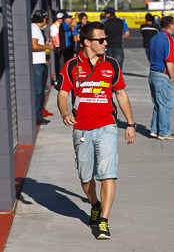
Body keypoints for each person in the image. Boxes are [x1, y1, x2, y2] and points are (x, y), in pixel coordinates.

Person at [57, 22, 136, 239]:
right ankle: (94, 203)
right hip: (81, 128)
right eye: (100, 40)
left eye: (105, 39)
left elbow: (120, 94)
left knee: (107, 174)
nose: (105, 43)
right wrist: (64, 113)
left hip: (107, 126)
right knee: (85, 177)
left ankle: (104, 220)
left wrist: (130, 123)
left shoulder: (111, 64)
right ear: (86, 42)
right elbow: (63, 94)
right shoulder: (72, 65)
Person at [149, 16, 174, 140]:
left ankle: (155, 129)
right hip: (164, 74)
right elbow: (170, 59)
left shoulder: (154, 38)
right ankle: (164, 131)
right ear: (171, 25)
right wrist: (172, 77)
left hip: (153, 73)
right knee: (166, 104)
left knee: (158, 104)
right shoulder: (169, 39)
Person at [31, 9, 54, 125]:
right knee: (38, 91)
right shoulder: (34, 29)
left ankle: (39, 114)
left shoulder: (36, 28)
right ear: (43, 19)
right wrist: (48, 46)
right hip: (36, 65)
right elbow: (34, 46)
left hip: (39, 63)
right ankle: (37, 116)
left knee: (40, 91)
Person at [50, 12, 64, 80]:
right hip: (57, 46)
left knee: (61, 62)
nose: (61, 20)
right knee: (58, 63)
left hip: (60, 46)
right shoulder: (54, 26)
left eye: (62, 19)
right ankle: (58, 78)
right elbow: (53, 37)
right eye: (60, 19)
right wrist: (54, 46)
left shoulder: (60, 25)